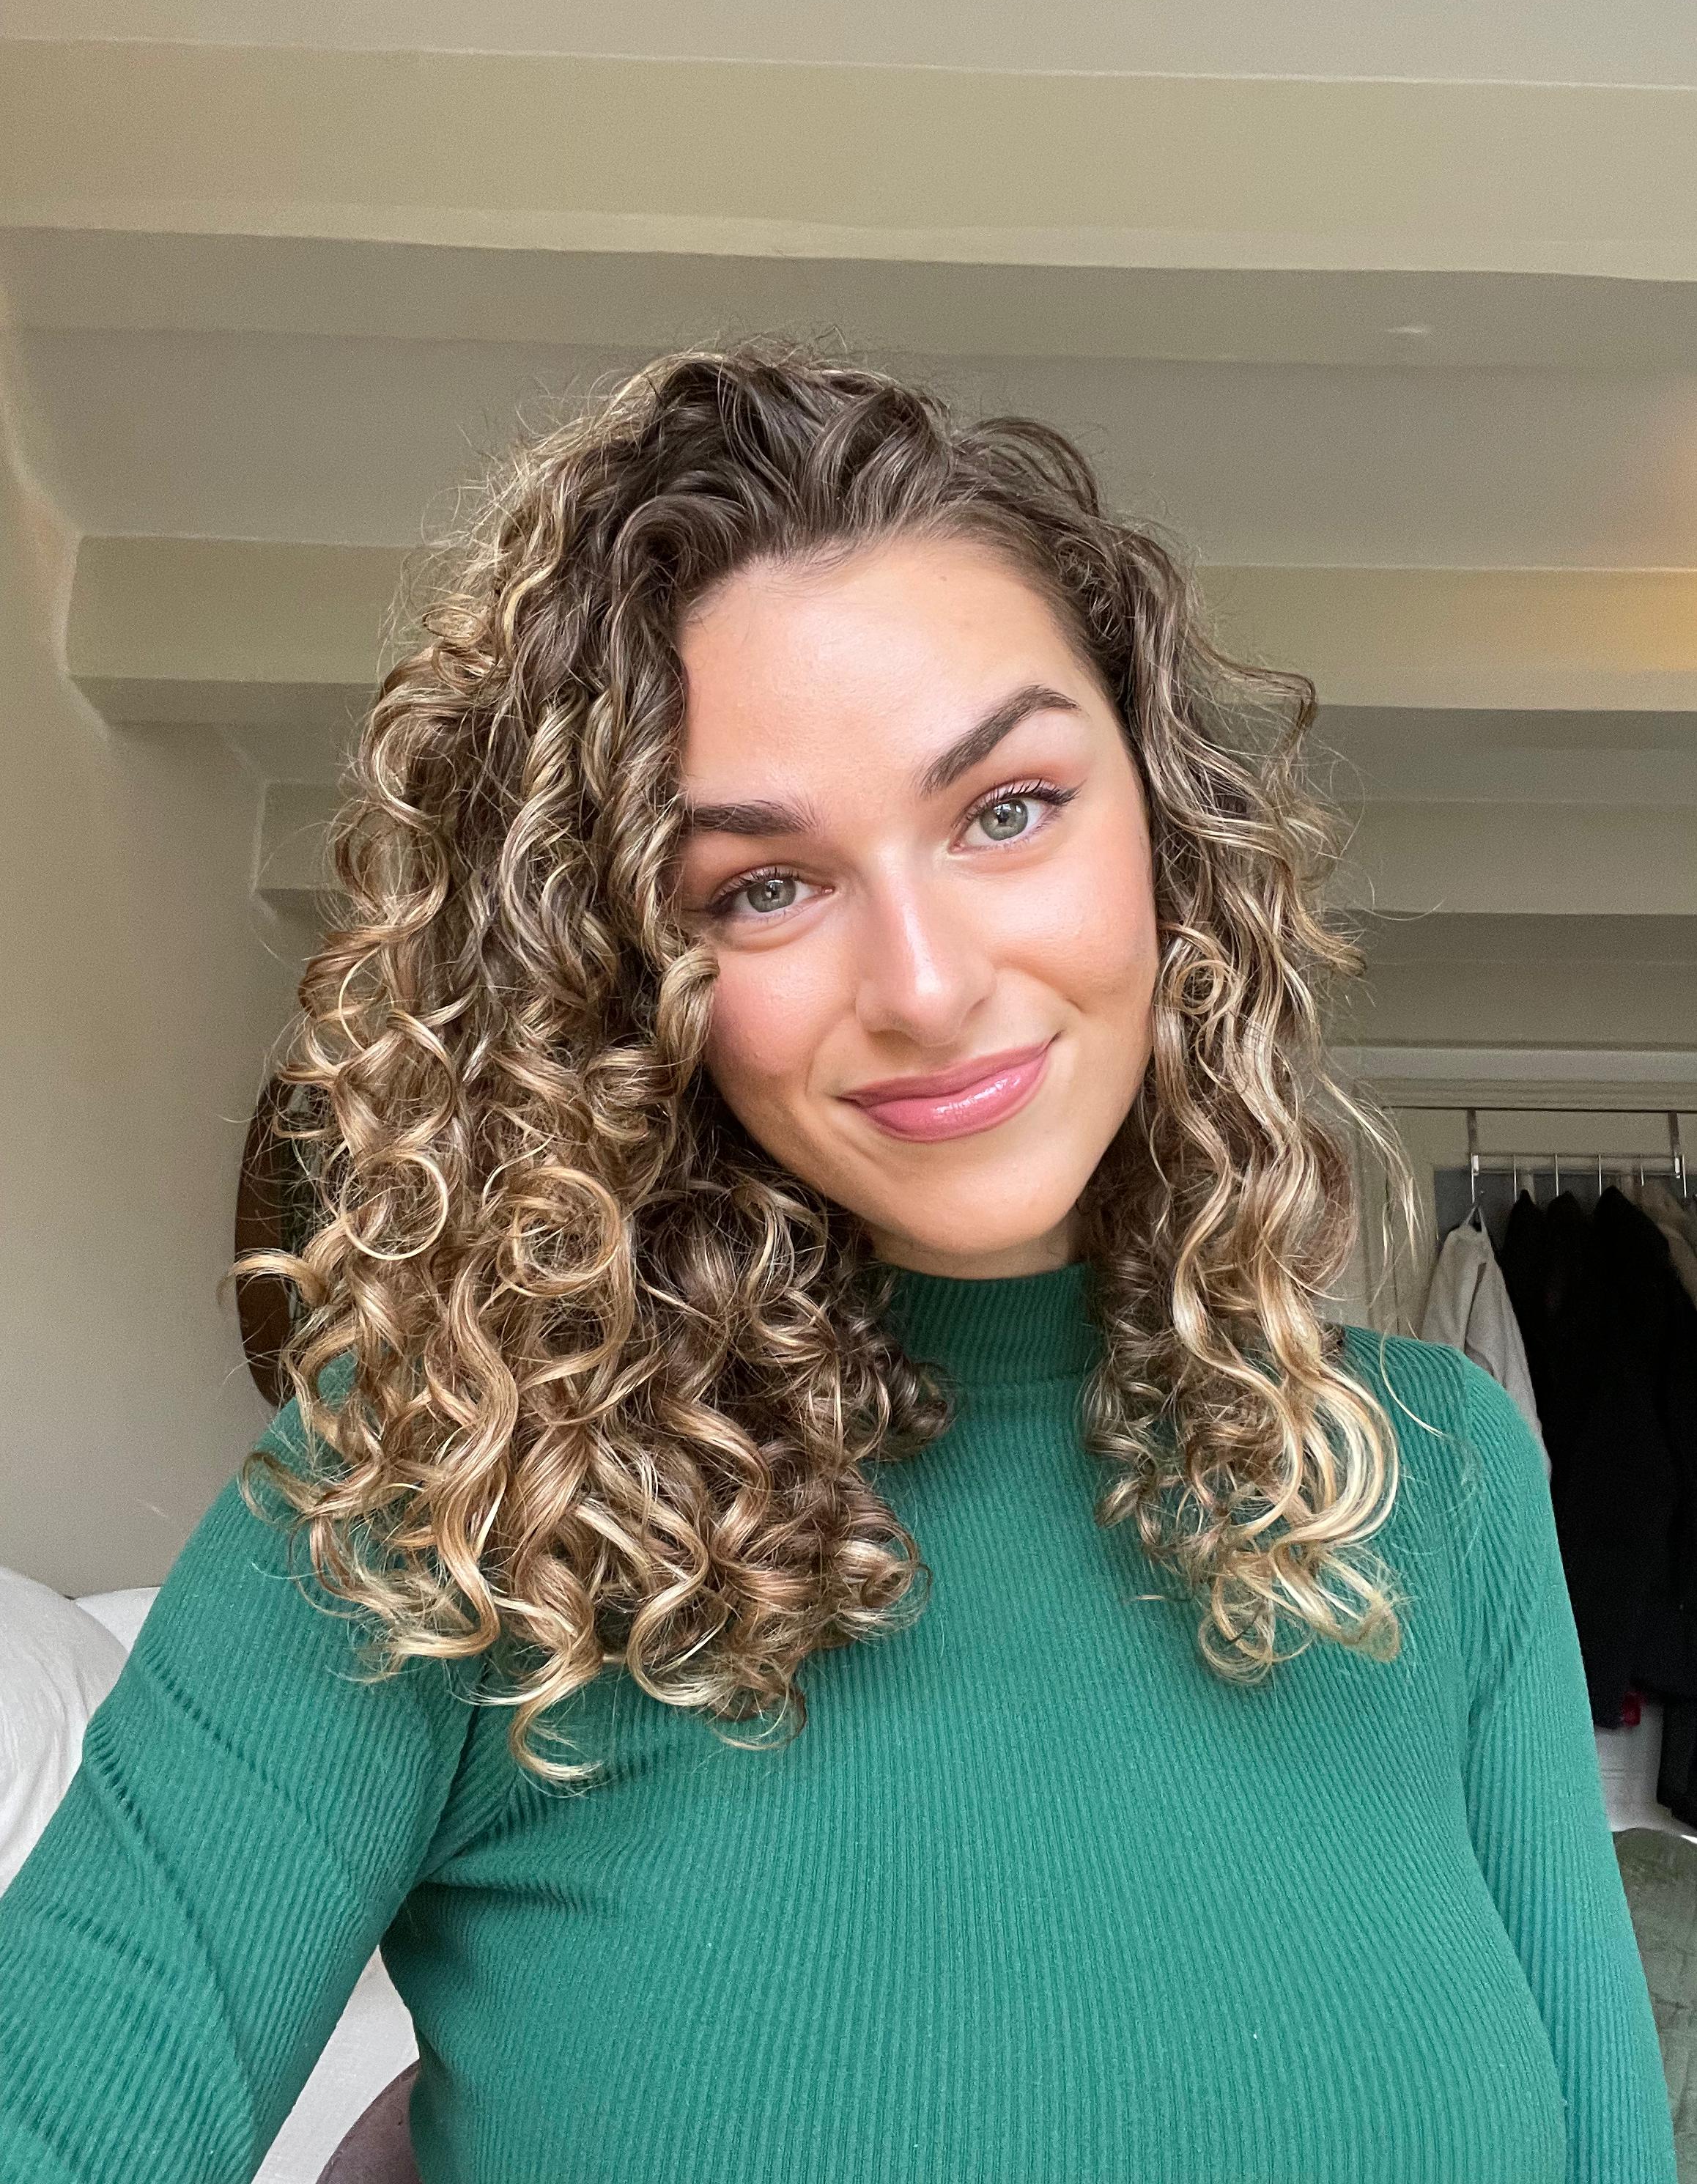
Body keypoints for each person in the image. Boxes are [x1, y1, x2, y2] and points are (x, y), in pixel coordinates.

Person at [0, 337, 1674, 2183]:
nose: (931, 983)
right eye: (762, 885)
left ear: (1168, 836)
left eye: (1008, 807)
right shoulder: (437, 1504)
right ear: (628, 973)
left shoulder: (1434, 1472)